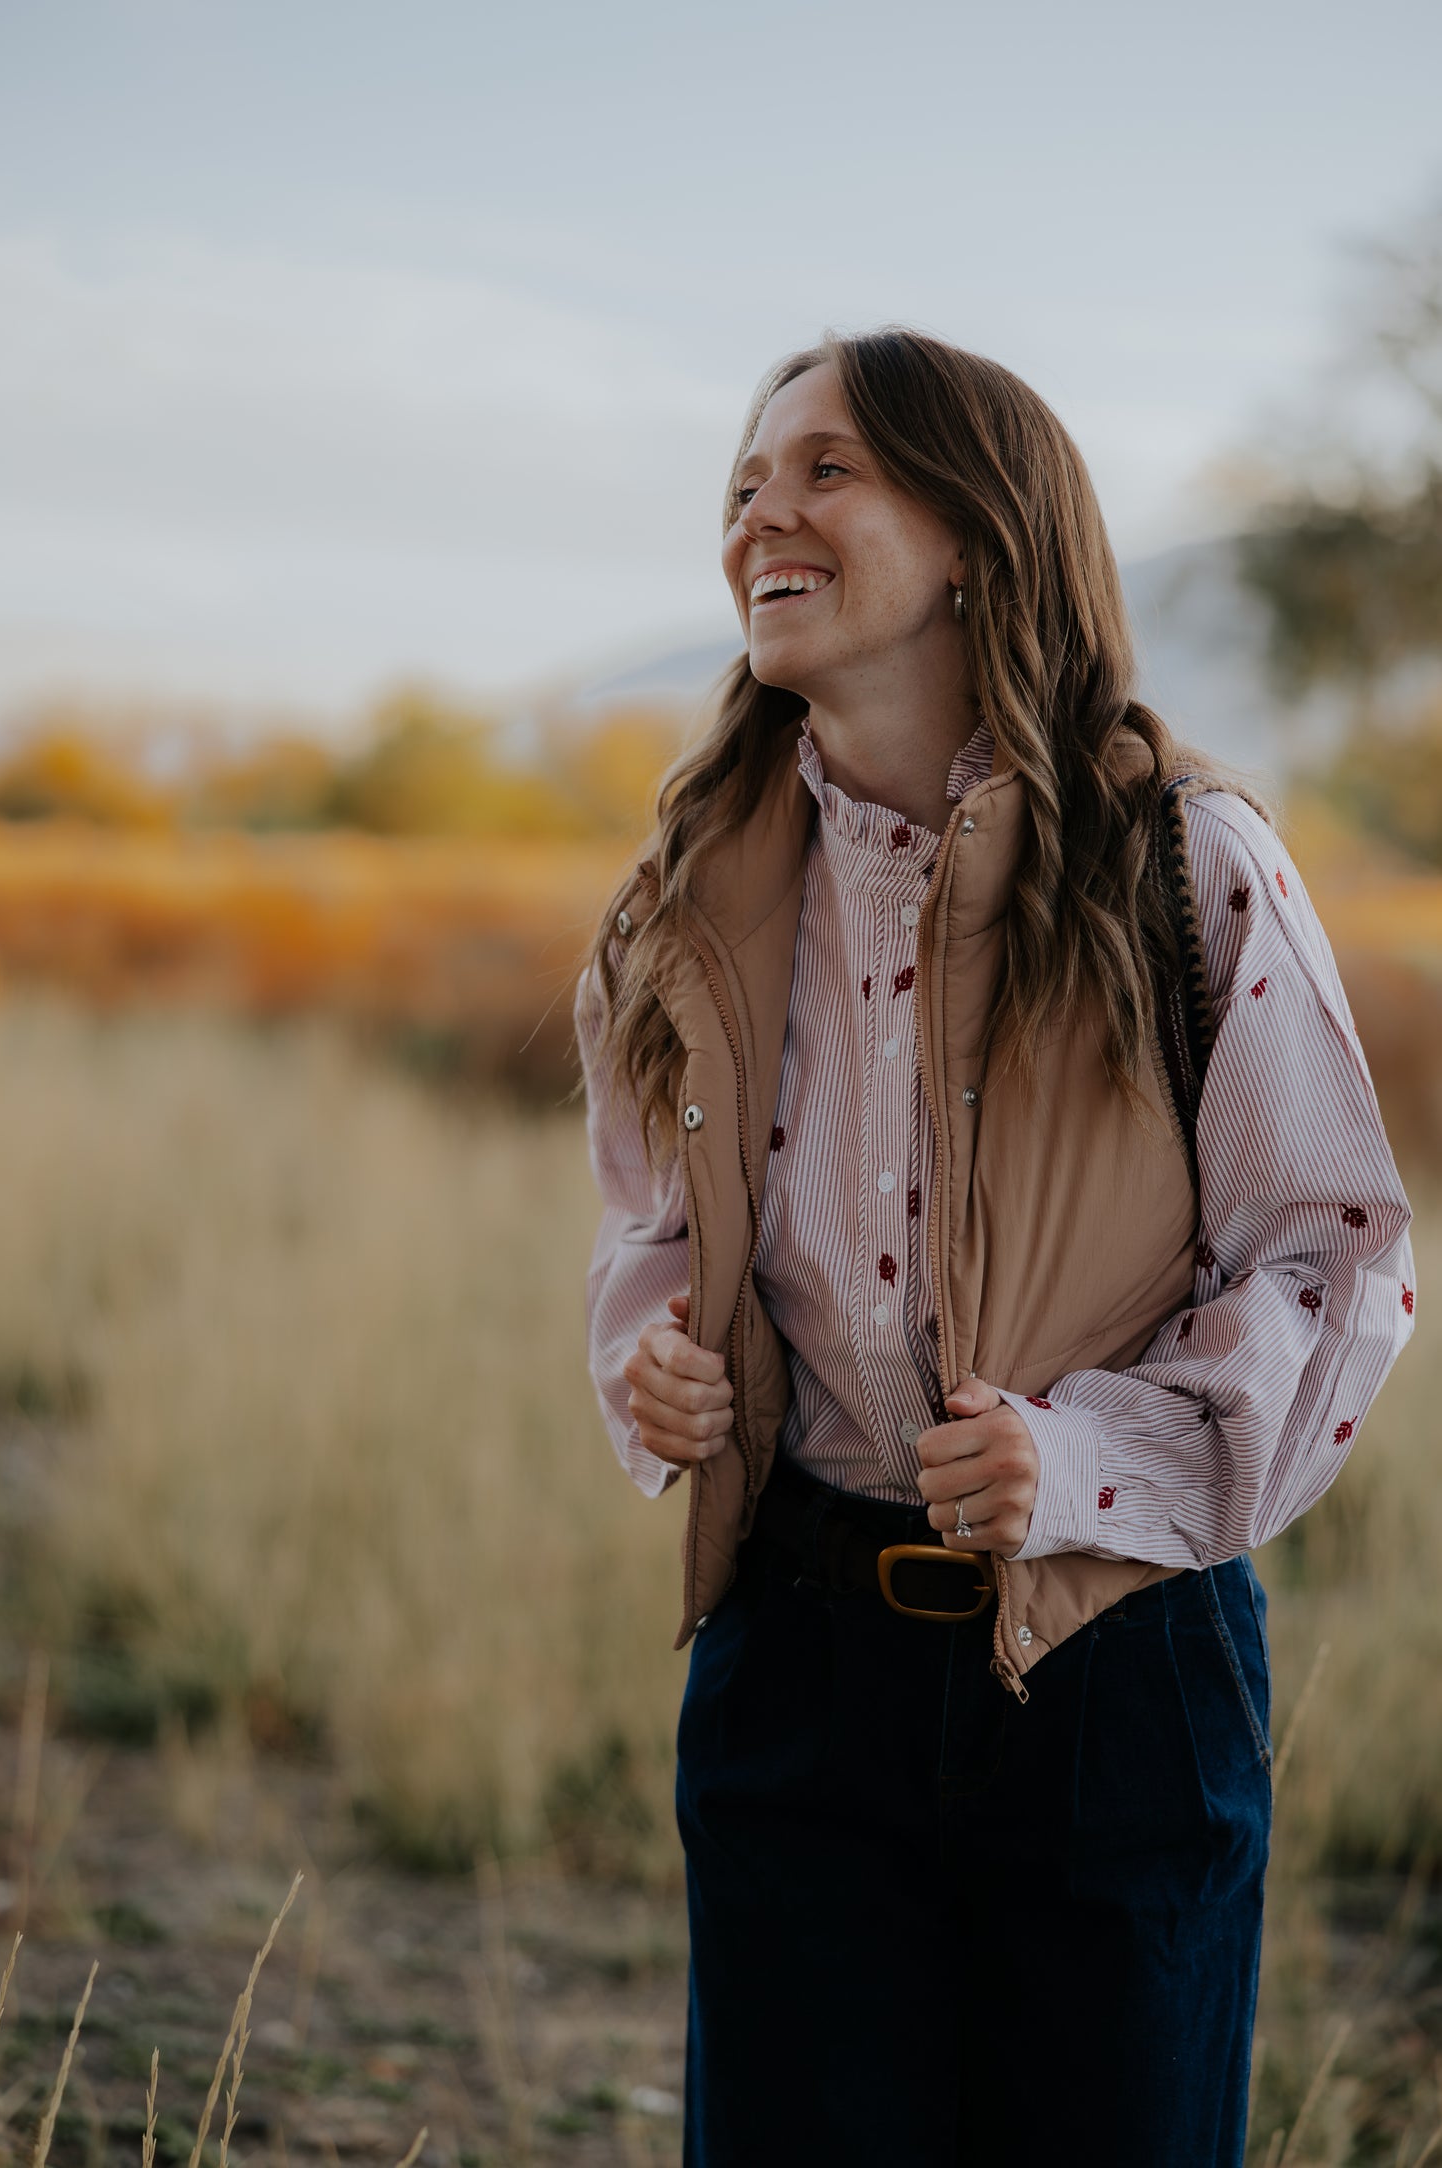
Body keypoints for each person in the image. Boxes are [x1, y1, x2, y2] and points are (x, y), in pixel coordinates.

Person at [573, 328, 1416, 2168]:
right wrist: (657, 1361)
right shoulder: (678, 900)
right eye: (740, 483)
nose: (758, 516)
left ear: (973, 530)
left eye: (822, 472)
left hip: (1115, 1672)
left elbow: (1332, 1259)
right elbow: (648, 1225)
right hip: (793, 1673)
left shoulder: (1181, 864)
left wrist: (1086, 1458)